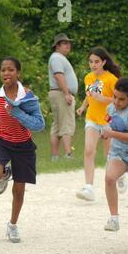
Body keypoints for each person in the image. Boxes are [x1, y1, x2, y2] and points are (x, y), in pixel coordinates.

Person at [0, 57, 45, 243]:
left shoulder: (28, 97)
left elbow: (39, 124)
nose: (6, 73)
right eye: (3, 70)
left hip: (23, 146)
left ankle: (13, 225)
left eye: (10, 70)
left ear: (18, 73)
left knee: (19, 190)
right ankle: (5, 172)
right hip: (2, 142)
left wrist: (16, 112)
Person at [76, 47, 127, 201]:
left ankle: (120, 175)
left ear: (104, 62)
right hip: (91, 119)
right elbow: (90, 95)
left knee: (109, 155)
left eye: (96, 61)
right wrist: (83, 106)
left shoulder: (112, 79)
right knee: (89, 151)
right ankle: (89, 188)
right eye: (91, 61)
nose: (93, 64)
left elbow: (119, 100)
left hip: (108, 121)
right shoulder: (88, 78)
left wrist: (103, 99)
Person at [101, 77, 128, 231]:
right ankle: (114, 219)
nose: (117, 102)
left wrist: (111, 133)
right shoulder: (111, 108)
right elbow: (108, 122)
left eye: (122, 99)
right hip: (118, 152)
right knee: (110, 178)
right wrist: (105, 132)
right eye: (115, 96)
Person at [48, 33, 78, 161]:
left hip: (58, 93)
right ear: (57, 46)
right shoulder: (57, 58)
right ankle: (68, 154)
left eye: (68, 43)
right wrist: (66, 93)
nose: (68, 45)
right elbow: (58, 76)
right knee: (66, 123)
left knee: (57, 125)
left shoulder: (58, 58)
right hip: (61, 93)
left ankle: (55, 156)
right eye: (65, 43)